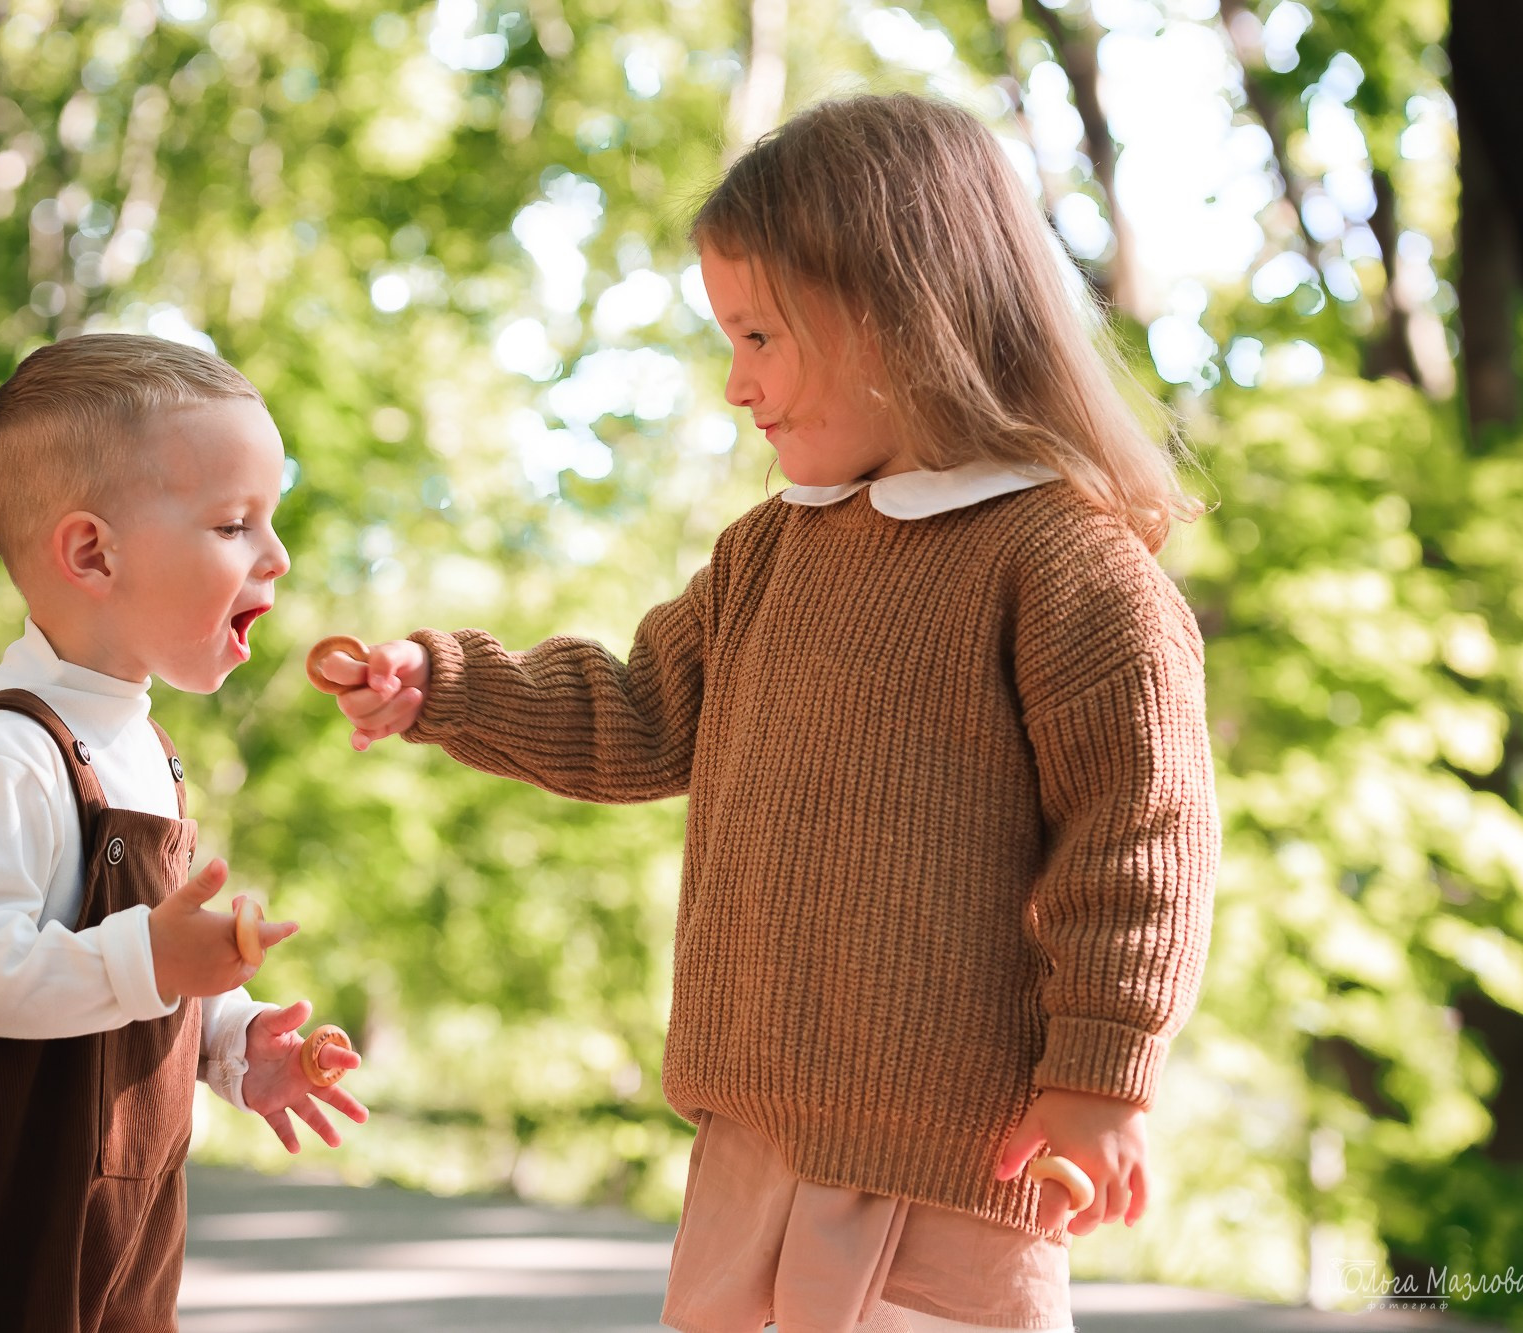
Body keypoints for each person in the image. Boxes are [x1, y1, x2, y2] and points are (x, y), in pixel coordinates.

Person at [321, 94, 1218, 1333]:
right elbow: (638, 712)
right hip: (749, 1145)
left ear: (897, 317)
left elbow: (1138, 839)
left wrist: (1100, 1078)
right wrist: (453, 686)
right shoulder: (768, 557)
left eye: (757, 335)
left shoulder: (1062, 566)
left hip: (950, 1168)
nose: (735, 384)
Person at [0, 333, 367, 1332]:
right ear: (91, 553)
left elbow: (126, 977)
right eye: (235, 522)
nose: (277, 555)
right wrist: (154, 957)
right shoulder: (6, 756)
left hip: (113, 1217)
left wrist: (236, 1039)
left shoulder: (136, 747)